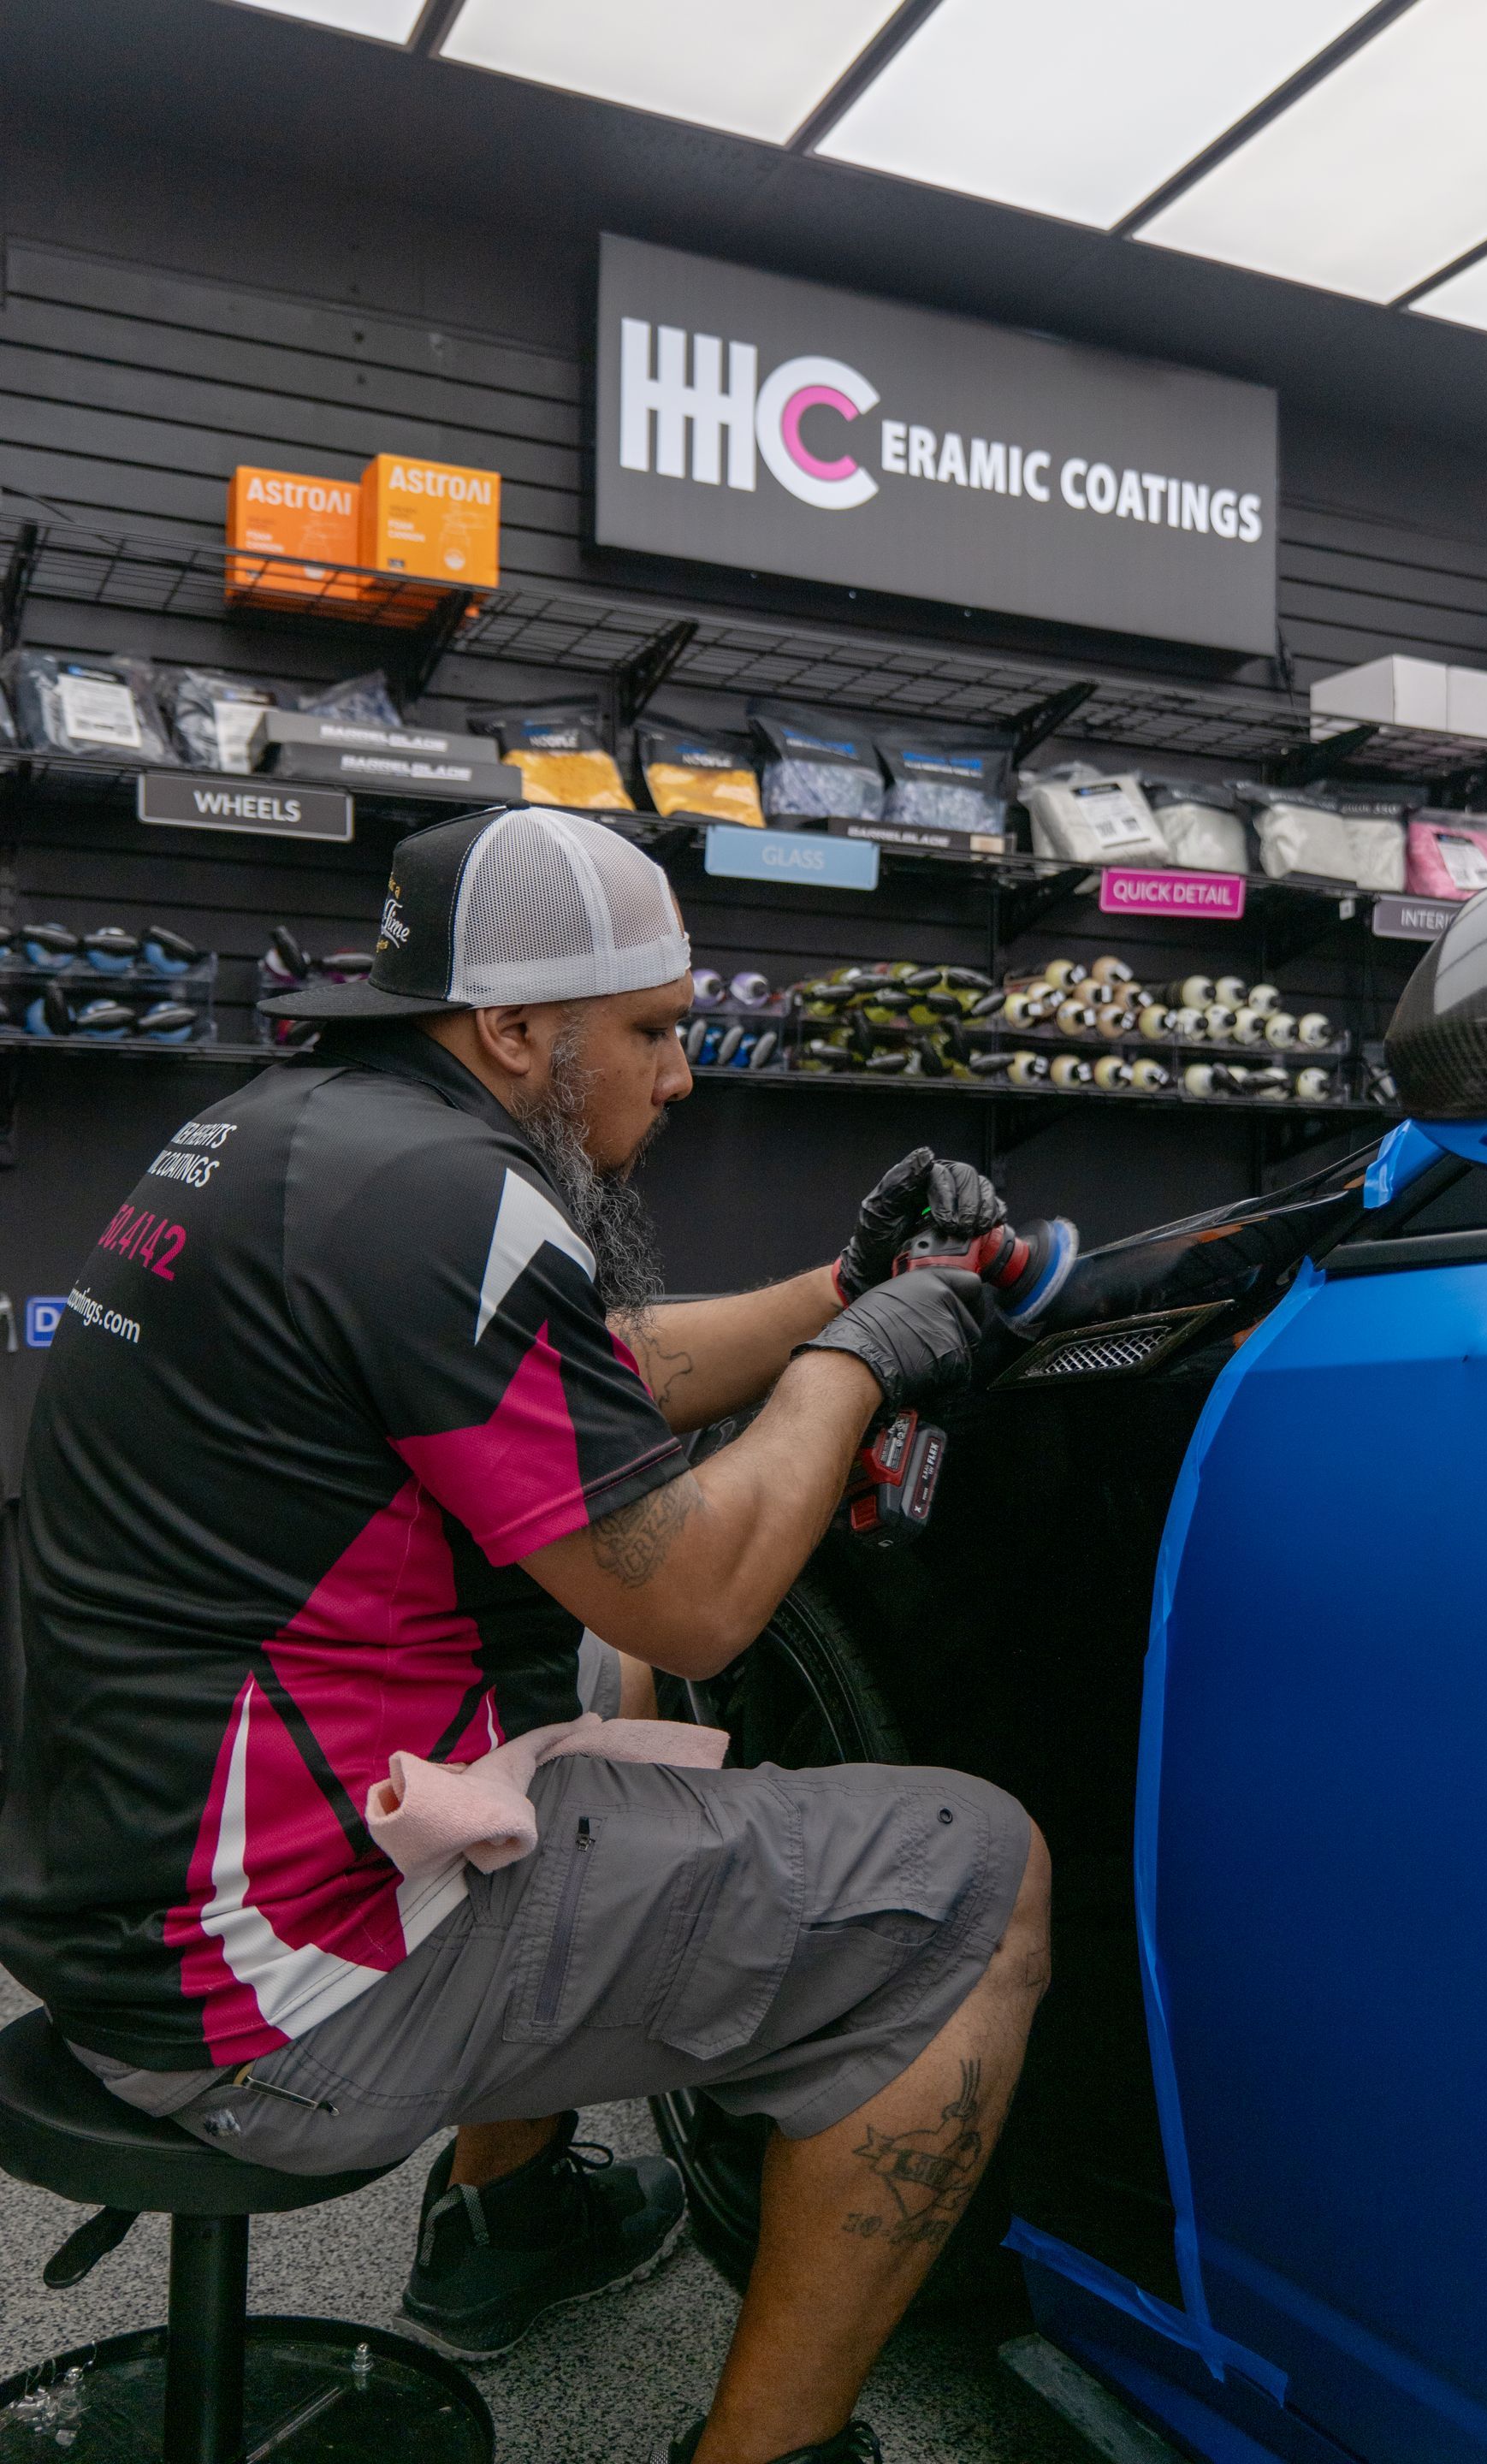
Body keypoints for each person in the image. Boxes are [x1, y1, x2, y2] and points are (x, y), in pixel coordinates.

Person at [0, 806, 1050, 2464]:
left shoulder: (305, 1134)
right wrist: (860, 1369)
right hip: (265, 1992)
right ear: (513, 1027)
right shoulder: (449, 1205)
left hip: (102, 1893)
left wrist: (833, 1290)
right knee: (979, 1882)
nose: (682, 1074)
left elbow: (566, 1389)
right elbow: (703, 1587)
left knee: (589, 1668)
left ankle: (514, 2217)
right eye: (649, 1030)